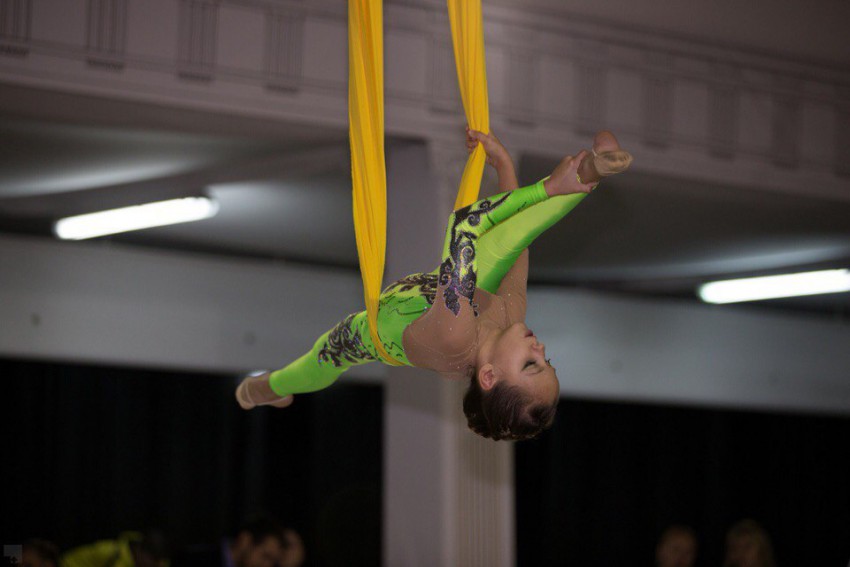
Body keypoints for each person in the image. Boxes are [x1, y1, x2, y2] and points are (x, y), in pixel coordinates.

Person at [236, 128, 632, 441]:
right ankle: (590, 172)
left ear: (489, 377)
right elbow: (515, 237)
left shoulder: (455, 340)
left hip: (377, 333)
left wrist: (545, 189)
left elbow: (463, 225)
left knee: (320, 361)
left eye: (532, 365)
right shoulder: (511, 315)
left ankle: (264, 389)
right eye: (550, 361)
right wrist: (504, 166)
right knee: (503, 251)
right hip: (443, 293)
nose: (541, 349)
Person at [171, 517, 284, 567]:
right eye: (265, 556)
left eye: (273, 562)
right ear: (245, 540)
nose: (267, 566)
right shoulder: (195, 560)